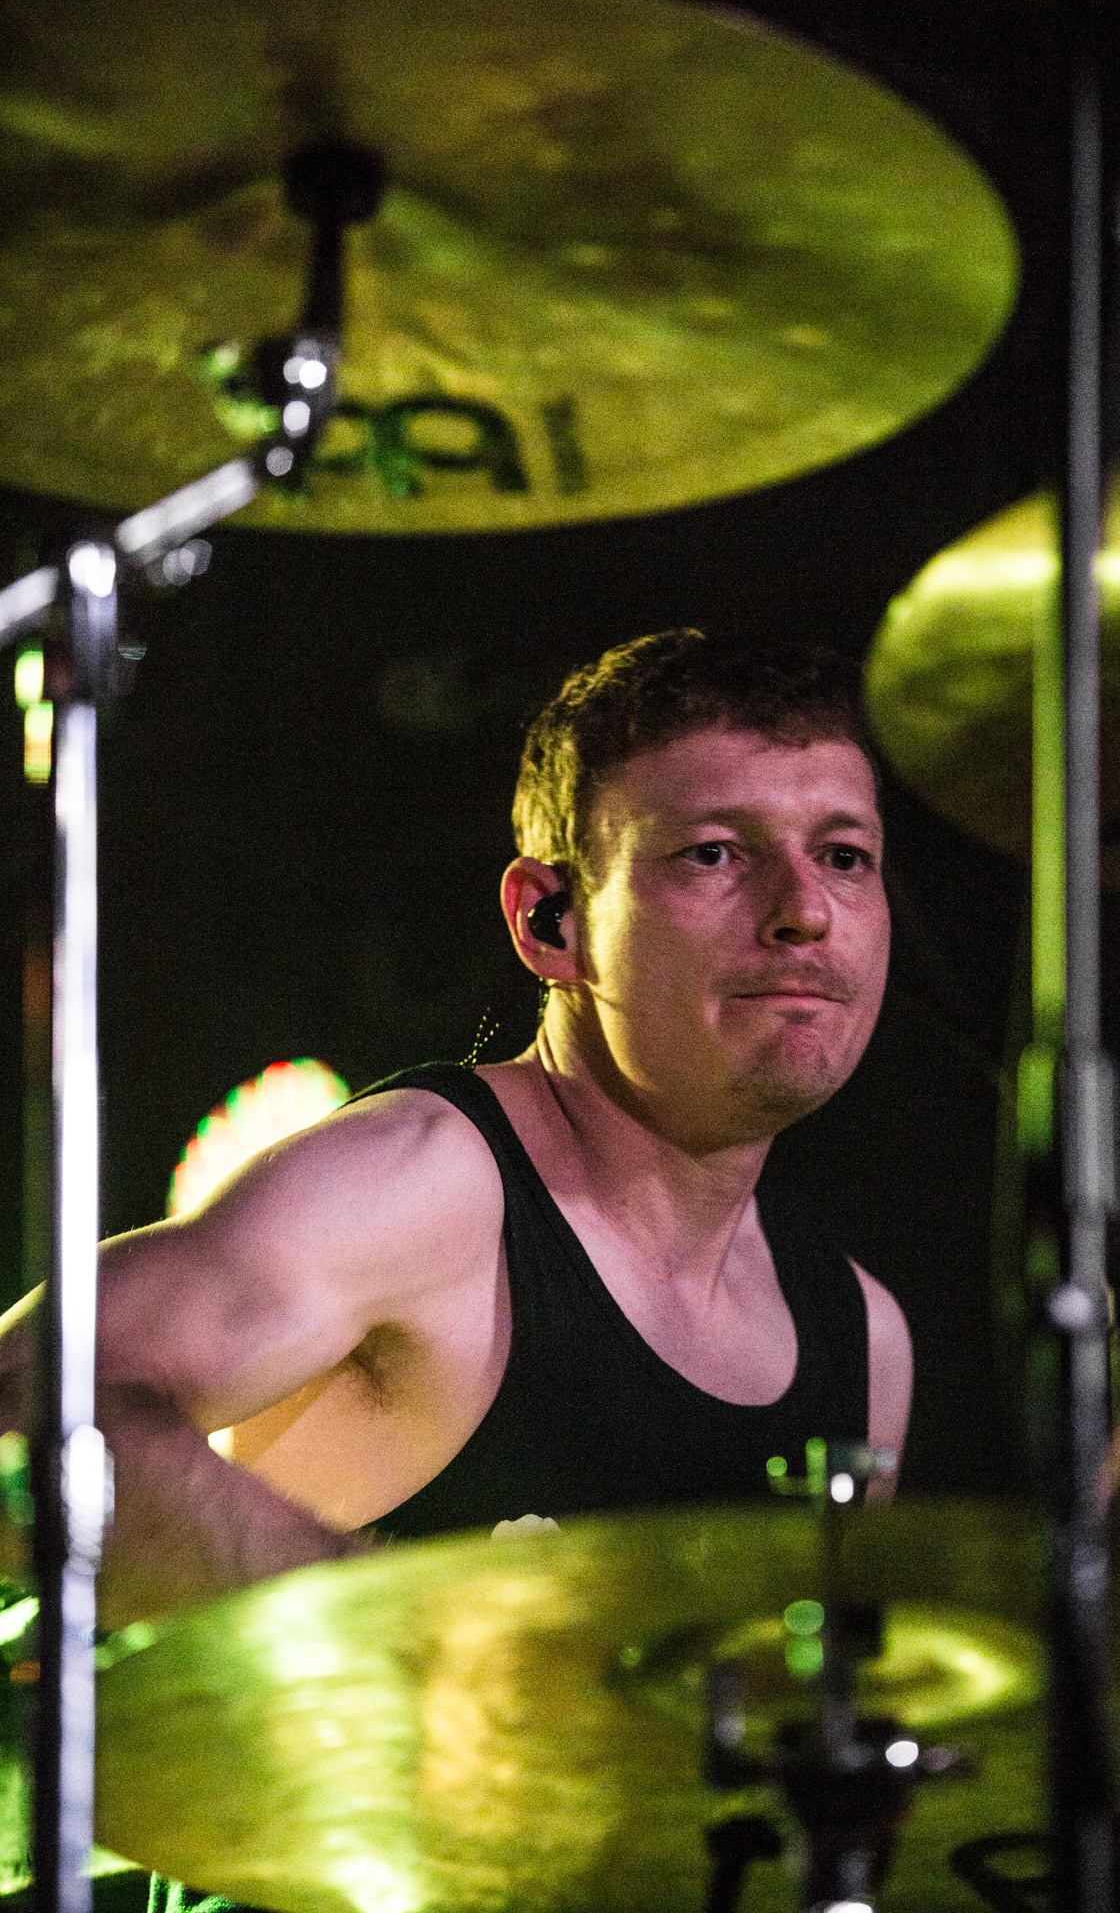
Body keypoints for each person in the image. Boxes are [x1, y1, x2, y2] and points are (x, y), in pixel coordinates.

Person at [0, 628, 911, 1631]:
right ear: (550, 922)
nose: (804, 910)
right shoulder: (423, 1185)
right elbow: (22, 1407)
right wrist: (395, 1641)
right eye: (713, 853)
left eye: (843, 856)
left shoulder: (862, 1338)